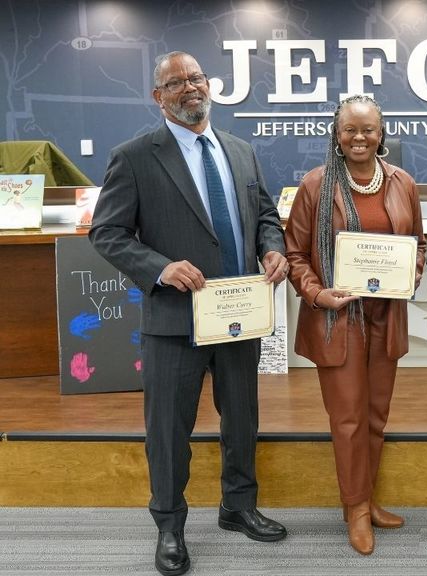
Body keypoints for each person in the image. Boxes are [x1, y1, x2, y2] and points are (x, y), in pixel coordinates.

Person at [89, 51, 288, 576]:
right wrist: (160, 267)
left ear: (209, 85)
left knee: (242, 417)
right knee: (169, 429)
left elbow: (265, 213)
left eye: (195, 78)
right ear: (159, 97)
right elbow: (106, 232)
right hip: (175, 320)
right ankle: (170, 525)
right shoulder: (133, 156)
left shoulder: (241, 151)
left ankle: (238, 507)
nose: (189, 88)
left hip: (240, 315)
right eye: (175, 83)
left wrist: (272, 248)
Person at [284, 94, 426, 555]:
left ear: (381, 134)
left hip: (387, 315)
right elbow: (296, 254)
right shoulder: (315, 185)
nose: (360, 137)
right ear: (337, 134)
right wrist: (315, 292)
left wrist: (410, 274)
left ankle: (366, 499)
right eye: (351, 130)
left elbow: (417, 243)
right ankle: (357, 509)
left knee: (375, 417)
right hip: (338, 318)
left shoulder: (403, 183)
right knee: (347, 419)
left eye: (368, 129)